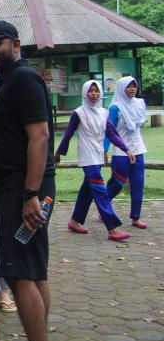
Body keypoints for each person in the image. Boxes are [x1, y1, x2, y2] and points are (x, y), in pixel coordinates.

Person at [0, 20, 65, 341]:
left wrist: (30, 194)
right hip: (11, 188)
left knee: (18, 271)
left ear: (14, 43)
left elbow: (40, 136)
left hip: (26, 192)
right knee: (32, 270)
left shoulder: (25, 79)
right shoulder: (6, 80)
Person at [54, 80, 135, 241]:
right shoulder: (79, 113)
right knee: (100, 190)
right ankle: (113, 228)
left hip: (97, 154)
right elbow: (69, 133)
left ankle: (74, 221)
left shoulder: (103, 112)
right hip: (87, 156)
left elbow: (112, 134)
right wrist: (59, 152)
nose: (93, 94)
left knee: (88, 189)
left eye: (96, 91)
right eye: (90, 91)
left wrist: (126, 149)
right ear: (85, 92)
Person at [105, 76, 148, 229]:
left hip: (138, 149)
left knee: (138, 183)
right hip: (120, 151)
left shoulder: (140, 103)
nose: (132, 89)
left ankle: (135, 217)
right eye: (128, 86)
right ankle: (103, 206)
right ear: (122, 88)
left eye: (134, 86)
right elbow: (109, 131)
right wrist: (104, 149)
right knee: (117, 183)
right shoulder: (115, 107)